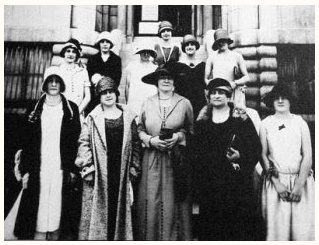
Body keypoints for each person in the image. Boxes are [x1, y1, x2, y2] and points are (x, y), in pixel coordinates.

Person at [13, 66, 81, 240]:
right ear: (44, 84)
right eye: (50, 81)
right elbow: (27, 140)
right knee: (39, 200)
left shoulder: (71, 109)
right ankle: (39, 235)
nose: (53, 84)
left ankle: (56, 235)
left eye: (57, 81)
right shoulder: (34, 108)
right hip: (40, 164)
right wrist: (25, 168)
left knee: (59, 200)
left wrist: (73, 167)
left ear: (62, 84)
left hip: (60, 164)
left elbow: (76, 139)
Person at [194, 78, 261, 241]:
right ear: (208, 97)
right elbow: (195, 153)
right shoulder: (202, 122)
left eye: (221, 93)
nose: (217, 96)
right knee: (212, 230)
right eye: (214, 93)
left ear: (229, 96)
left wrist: (241, 156)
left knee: (237, 229)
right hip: (211, 186)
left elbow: (255, 147)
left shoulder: (241, 119)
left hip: (236, 185)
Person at [75, 76, 140, 240]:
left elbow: (136, 143)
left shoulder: (129, 116)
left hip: (121, 169)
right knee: (99, 212)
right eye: (104, 93)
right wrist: (88, 167)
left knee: (119, 210)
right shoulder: (92, 118)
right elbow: (83, 142)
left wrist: (133, 167)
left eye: (111, 92)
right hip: (99, 171)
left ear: (117, 94)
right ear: (99, 96)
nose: (108, 95)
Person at [136, 66, 194, 240]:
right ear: (156, 82)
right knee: (151, 198)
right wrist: (150, 140)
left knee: (174, 200)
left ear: (175, 82)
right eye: (162, 78)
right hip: (152, 158)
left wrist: (177, 137)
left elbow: (190, 130)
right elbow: (139, 128)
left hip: (175, 159)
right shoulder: (147, 102)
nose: (166, 80)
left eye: (170, 78)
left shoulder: (184, 103)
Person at [260, 83, 315, 241]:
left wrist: (299, 185)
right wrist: (276, 182)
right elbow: (263, 155)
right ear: (271, 101)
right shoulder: (265, 124)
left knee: (303, 233)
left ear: (291, 100)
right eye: (276, 98)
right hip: (276, 184)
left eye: (284, 97)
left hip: (301, 183)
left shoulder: (300, 123)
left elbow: (308, 155)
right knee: (277, 233)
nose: (280, 100)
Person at [205, 28, 250, 108]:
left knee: (236, 116)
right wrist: (213, 88)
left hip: (234, 93)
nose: (221, 43)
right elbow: (206, 79)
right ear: (216, 43)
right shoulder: (211, 58)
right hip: (219, 94)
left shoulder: (237, 56)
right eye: (219, 41)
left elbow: (247, 77)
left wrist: (236, 83)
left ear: (227, 41)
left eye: (223, 40)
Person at [168, 34, 207, 119]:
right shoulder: (177, 65)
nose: (190, 47)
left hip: (199, 101)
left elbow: (205, 82)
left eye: (192, 44)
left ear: (196, 47)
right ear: (183, 48)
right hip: (182, 101)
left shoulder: (203, 65)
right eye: (187, 45)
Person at [86, 31, 122, 115]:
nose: (105, 44)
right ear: (99, 44)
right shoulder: (92, 59)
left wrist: (101, 79)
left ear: (111, 44)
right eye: (102, 42)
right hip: (95, 96)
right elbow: (90, 76)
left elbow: (117, 78)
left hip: (110, 94)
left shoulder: (116, 59)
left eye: (107, 42)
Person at [57, 38, 91, 120]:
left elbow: (88, 96)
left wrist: (76, 113)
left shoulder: (83, 72)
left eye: (73, 52)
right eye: (68, 51)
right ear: (64, 53)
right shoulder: (57, 71)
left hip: (78, 114)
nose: (70, 54)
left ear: (77, 55)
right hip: (61, 114)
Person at [124, 42, 158, 117]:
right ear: (139, 53)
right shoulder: (132, 65)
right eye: (143, 52)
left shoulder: (154, 68)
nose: (146, 54)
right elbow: (127, 86)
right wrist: (128, 103)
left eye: (148, 52)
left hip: (149, 99)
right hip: (135, 100)